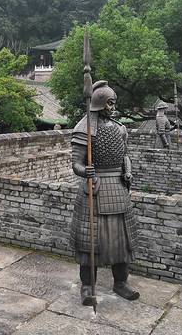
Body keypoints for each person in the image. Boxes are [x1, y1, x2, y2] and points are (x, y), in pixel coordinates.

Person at [70, 80, 140, 306]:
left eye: (114, 102)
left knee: (122, 240)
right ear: (99, 103)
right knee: (90, 242)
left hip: (118, 187)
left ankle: (121, 282)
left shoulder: (120, 128)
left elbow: (125, 155)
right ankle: (87, 287)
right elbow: (76, 163)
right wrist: (85, 171)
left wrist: (127, 171)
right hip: (95, 188)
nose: (113, 107)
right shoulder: (85, 127)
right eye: (110, 103)